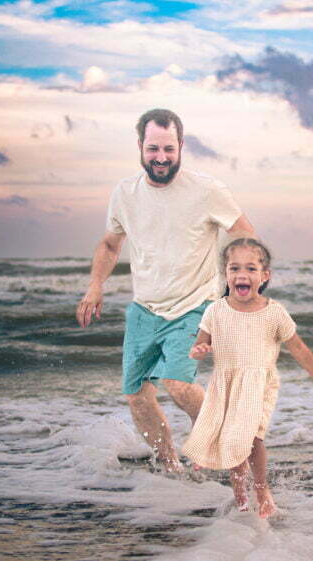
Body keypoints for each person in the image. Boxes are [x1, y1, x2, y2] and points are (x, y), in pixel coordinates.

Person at [76, 108, 256, 473]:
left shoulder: (206, 190)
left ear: (181, 146)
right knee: (137, 395)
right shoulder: (125, 193)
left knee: (177, 383)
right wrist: (95, 286)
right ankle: (170, 468)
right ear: (140, 146)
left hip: (195, 304)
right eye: (154, 149)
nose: (161, 158)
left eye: (169, 149)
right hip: (145, 310)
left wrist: (240, 283)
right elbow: (110, 245)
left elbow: (244, 233)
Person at [182, 238, 313, 518]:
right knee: (234, 440)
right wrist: (198, 350)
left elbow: (298, 347)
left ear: (264, 275)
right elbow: (198, 347)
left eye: (250, 268)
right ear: (226, 274)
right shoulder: (215, 310)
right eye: (234, 269)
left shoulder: (274, 312)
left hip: (260, 385)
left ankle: (261, 490)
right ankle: (239, 493)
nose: (242, 275)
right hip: (226, 383)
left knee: (252, 439)